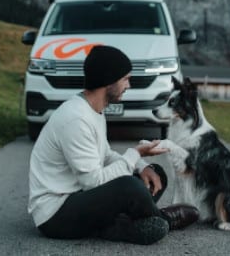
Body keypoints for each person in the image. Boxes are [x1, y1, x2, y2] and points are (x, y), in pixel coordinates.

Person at [28, 45, 199, 245]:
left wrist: (141, 165)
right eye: (125, 78)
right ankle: (164, 219)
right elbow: (93, 181)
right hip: (56, 214)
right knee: (129, 186)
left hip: (81, 196)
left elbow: (106, 155)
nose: (129, 85)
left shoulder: (95, 110)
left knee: (154, 173)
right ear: (108, 80)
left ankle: (116, 227)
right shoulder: (75, 119)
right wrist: (134, 153)